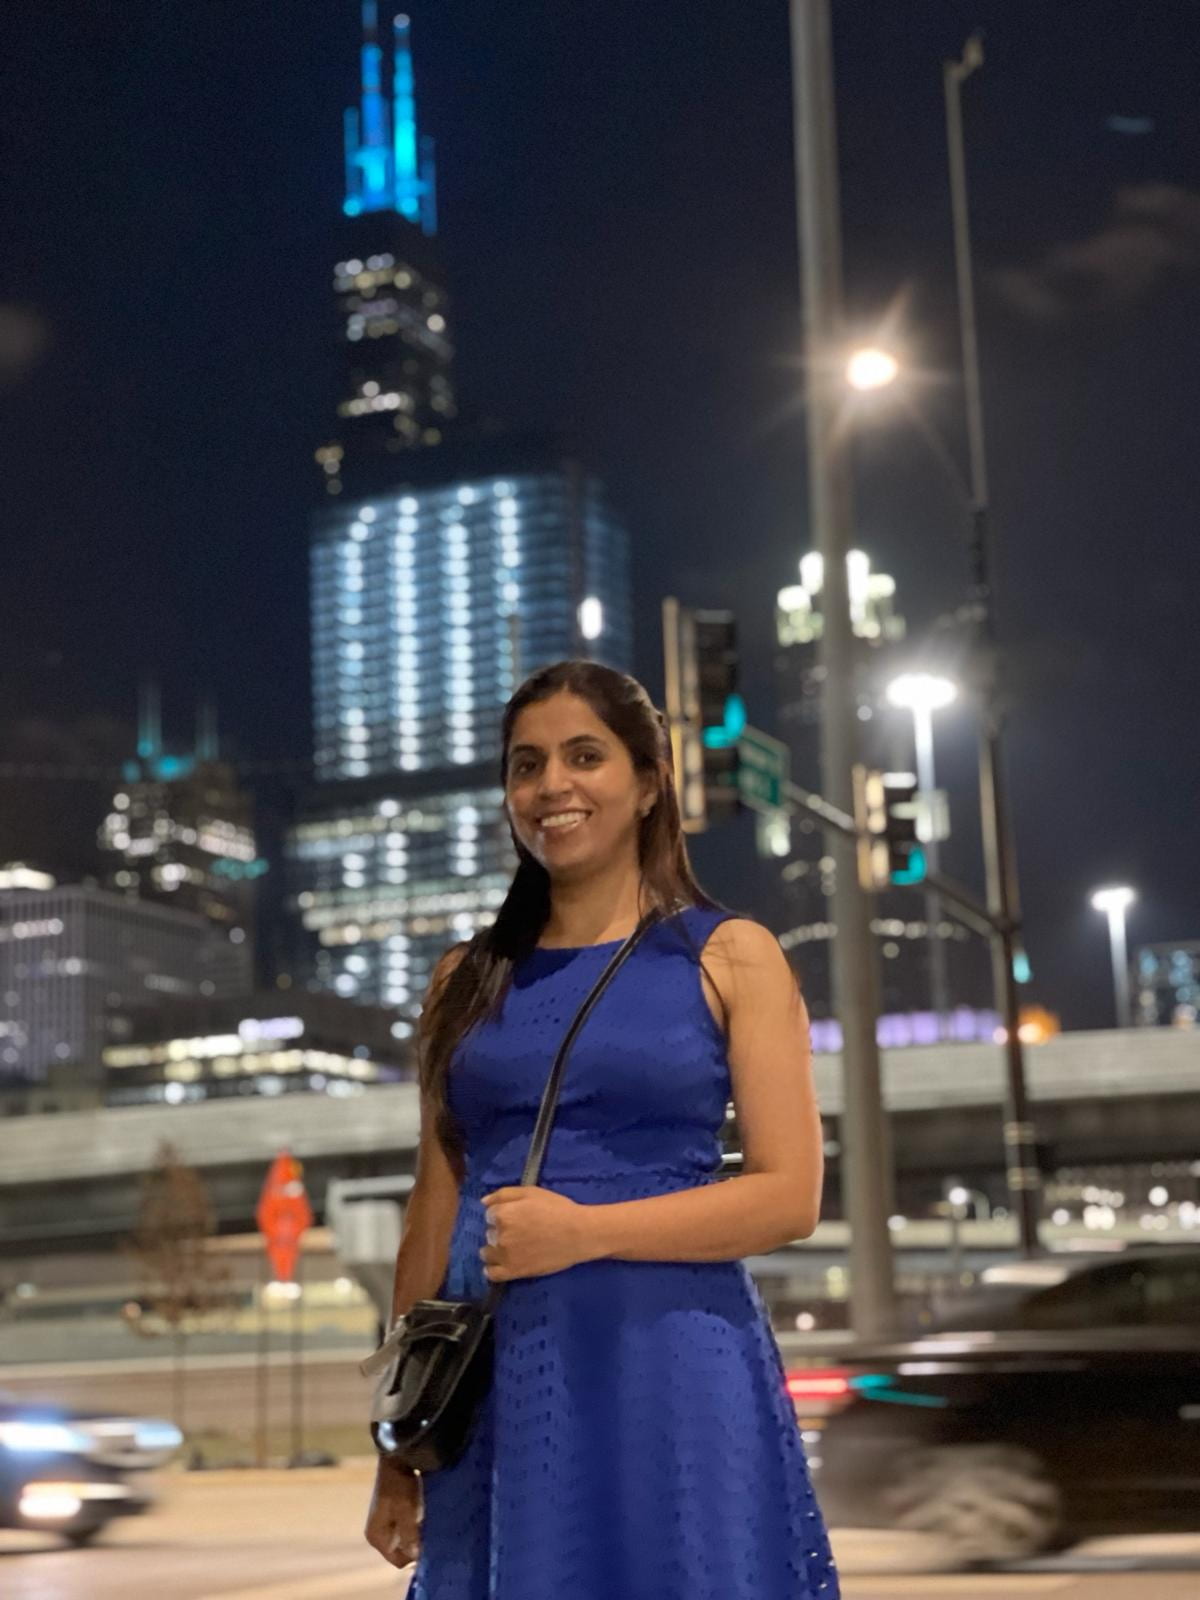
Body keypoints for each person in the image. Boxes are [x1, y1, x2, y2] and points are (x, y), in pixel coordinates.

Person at [365, 659, 840, 1599]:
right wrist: (397, 1440)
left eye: (586, 756)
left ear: (649, 782)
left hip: (671, 1358)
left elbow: (789, 1197)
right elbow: (435, 1202)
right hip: (496, 1374)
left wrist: (583, 1234)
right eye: (526, 765)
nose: (552, 786)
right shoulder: (463, 978)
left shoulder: (729, 955)